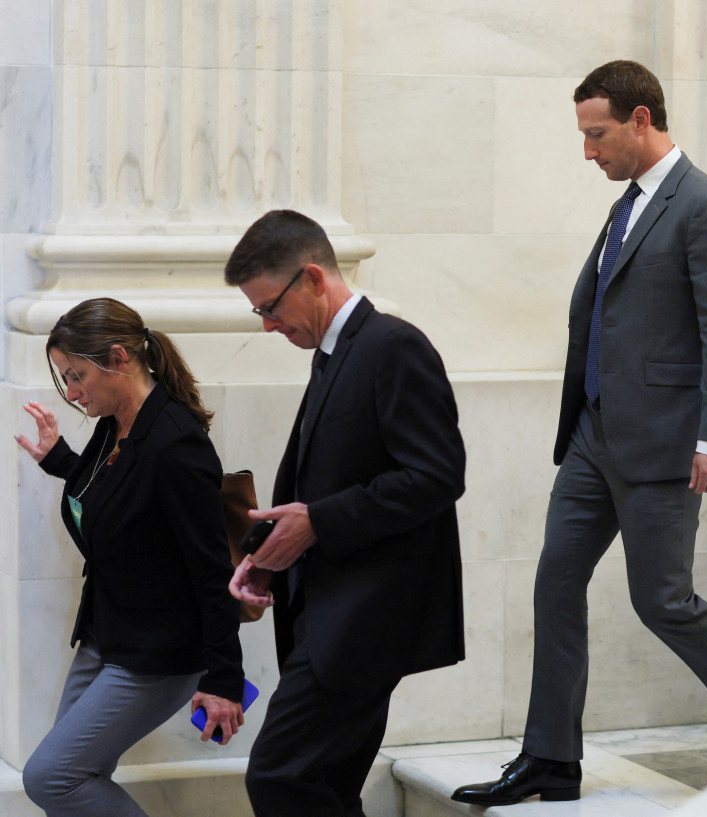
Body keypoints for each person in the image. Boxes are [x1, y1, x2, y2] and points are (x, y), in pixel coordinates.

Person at [452, 60, 707, 808]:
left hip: (663, 444)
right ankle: (550, 757)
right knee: (555, 579)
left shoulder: (703, 204)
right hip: (592, 436)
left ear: (642, 119)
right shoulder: (627, 204)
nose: (589, 152)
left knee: (664, 601)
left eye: (597, 135)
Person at [223, 210, 466, 817]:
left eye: (271, 307)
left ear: (312, 277)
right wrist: (267, 559)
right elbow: (325, 481)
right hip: (333, 611)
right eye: (259, 312)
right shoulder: (336, 350)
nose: (268, 324)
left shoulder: (392, 345)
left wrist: (319, 524)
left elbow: (437, 476)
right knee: (322, 786)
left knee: (280, 777)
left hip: (366, 617)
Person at [16, 298, 245, 816]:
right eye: (64, 379)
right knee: (72, 777)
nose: (72, 393)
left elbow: (213, 571)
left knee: (52, 778)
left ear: (119, 359)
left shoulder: (175, 444)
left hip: (156, 653)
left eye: (76, 377)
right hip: (107, 634)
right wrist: (60, 462)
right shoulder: (116, 425)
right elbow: (116, 504)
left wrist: (225, 679)